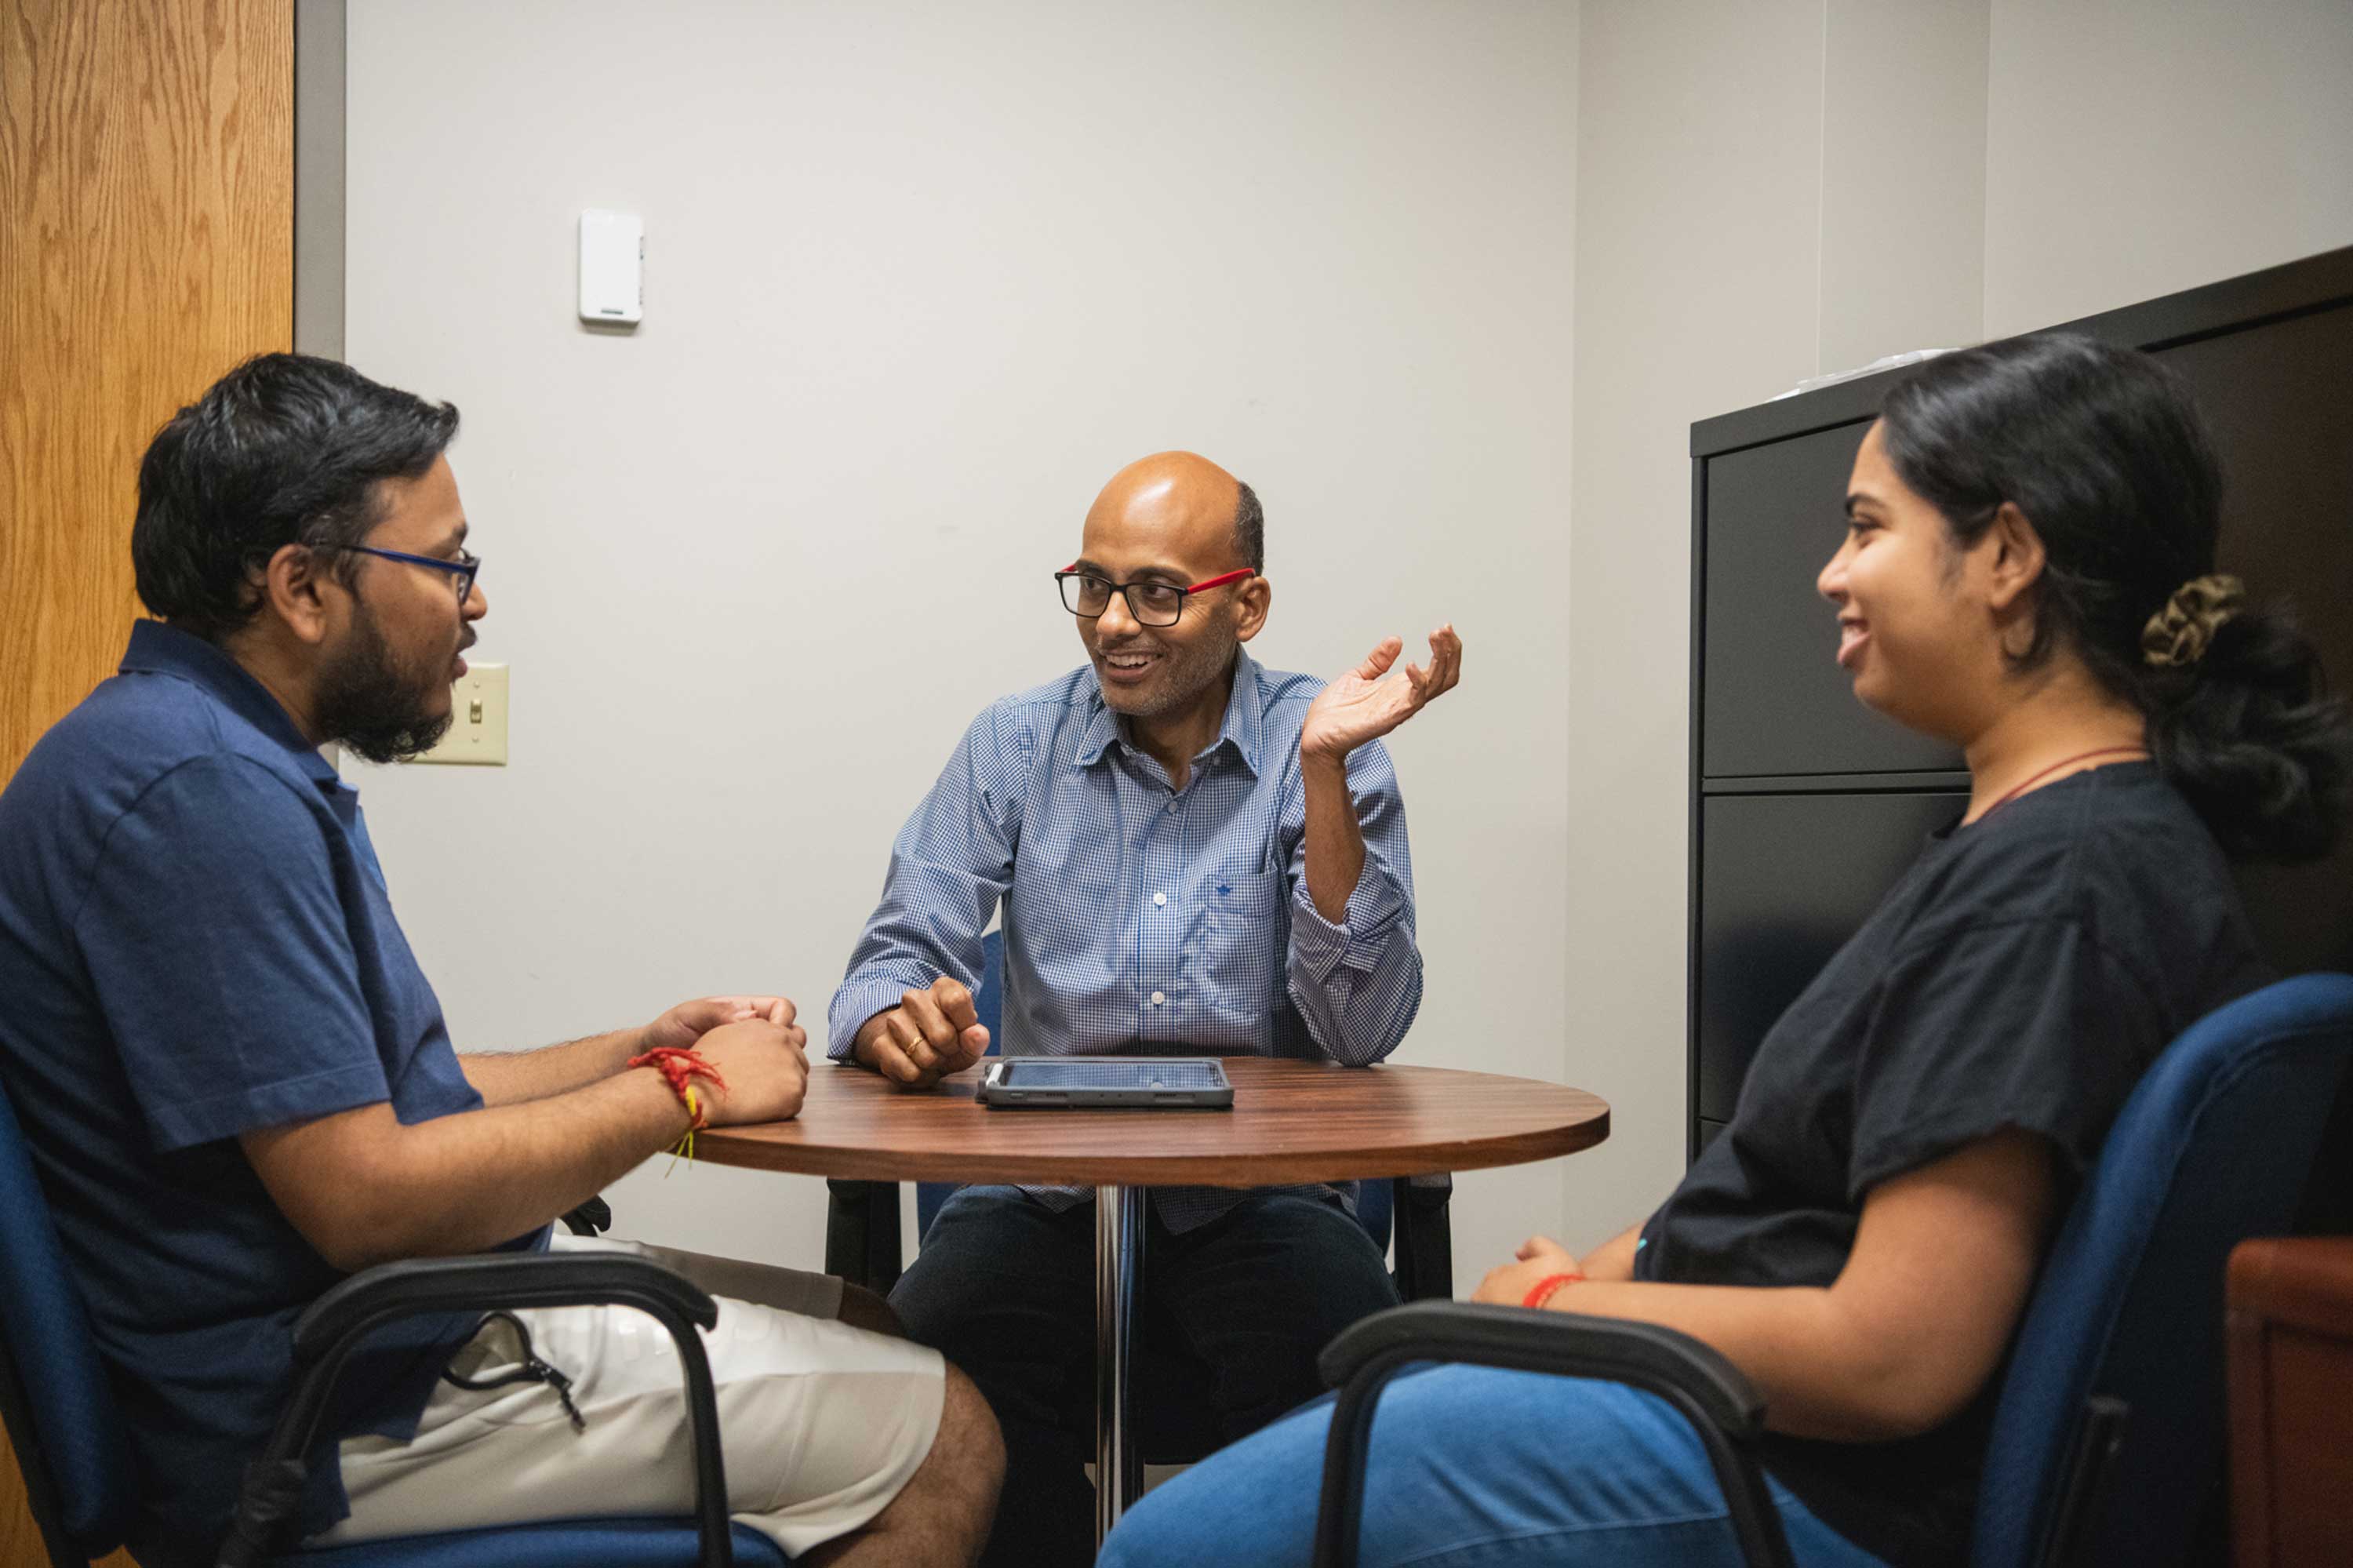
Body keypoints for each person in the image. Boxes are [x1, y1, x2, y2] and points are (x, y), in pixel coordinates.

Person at [1099, 333, 2351, 1568]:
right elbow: (1797, 1193)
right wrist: (1607, 1272)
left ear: (2009, 557)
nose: (1832, 574)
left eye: (1867, 527)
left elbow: (1896, 1355)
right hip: (1728, 1417)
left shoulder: (2055, 889)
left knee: (1167, 1549)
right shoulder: (2047, 848)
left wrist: (1563, 1307)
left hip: (1800, 1478)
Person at [0, 355, 1002, 1566]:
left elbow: (366, 1099)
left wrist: (636, 1049)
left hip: (356, 1350)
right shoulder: (202, 790)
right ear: (303, 588)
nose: (474, 603)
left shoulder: (184, 748)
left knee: (867, 1322)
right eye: (448, 565)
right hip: (329, 1407)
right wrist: (684, 1092)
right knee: (949, 1435)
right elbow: (369, 1199)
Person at [827, 449, 1462, 1566]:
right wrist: (895, 1024)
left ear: (1246, 605)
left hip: (1261, 1201)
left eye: (1158, 591)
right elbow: (893, 958)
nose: (1115, 622)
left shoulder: (1328, 741)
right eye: (1094, 585)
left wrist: (1323, 776)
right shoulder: (1017, 742)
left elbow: (1362, 1034)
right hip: (1039, 1200)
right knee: (922, 1398)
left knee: (1354, 1406)